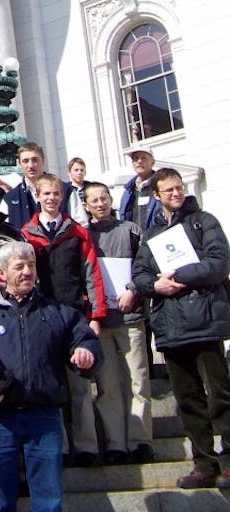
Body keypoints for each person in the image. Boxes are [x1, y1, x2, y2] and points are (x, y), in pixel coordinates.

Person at [0, 241, 101, 512]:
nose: (27, 271)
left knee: (48, 498)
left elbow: (84, 339)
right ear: (1, 273)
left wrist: (85, 352)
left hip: (43, 416)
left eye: (31, 265)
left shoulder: (55, 310)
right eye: (19, 266)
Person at [132, 168, 230, 489]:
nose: (176, 193)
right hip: (171, 326)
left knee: (220, 395)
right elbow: (141, 274)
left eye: (179, 188)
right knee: (187, 399)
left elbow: (218, 264)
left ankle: (228, 461)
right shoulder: (152, 233)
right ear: (157, 195)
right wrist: (157, 285)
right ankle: (204, 463)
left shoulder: (204, 221)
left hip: (205, 321)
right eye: (168, 190)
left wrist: (179, 276)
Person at [21, 173, 107, 467]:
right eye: (46, 193)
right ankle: (60, 447)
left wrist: (95, 315)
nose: (51, 198)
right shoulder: (26, 234)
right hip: (43, 317)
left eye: (56, 193)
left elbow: (91, 275)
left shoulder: (77, 232)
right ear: (38, 196)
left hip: (73, 316)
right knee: (53, 385)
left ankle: (86, 446)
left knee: (80, 385)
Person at [83, 182, 154, 465]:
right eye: (94, 200)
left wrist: (133, 289)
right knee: (108, 386)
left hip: (130, 317)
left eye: (104, 198)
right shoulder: (84, 235)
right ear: (86, 205)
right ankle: (115, 443)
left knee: (138, 381)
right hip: (101, 320)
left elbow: (145, 265)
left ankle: (141, 440)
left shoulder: (131, 230)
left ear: (111, 200)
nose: (100, 203)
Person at [1, 142, 88, 229]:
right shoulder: (10, 198)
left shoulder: (66, 190)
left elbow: (82, 226)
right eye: (25, 161)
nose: (30, 165)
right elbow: (4, 233)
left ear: (43, 161)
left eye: (35, 160)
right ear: (19, 164)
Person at [119, 145, 161, 231]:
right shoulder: (128, 190)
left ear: (152, 162)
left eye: (144, 158)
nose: (139, 161)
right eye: (136, 158)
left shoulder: (160, 186)